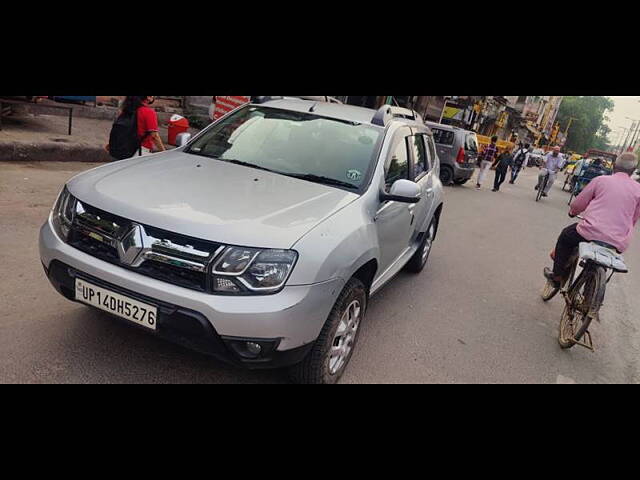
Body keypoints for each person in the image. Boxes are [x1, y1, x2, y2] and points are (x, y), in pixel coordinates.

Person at [544, 153, 640, 287]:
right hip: (618, 240)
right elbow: (633, 219)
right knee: (605, 256)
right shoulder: (638, 190)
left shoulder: (601, 180)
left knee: (566, 236)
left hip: (589, 232)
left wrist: (573, 212)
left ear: (614, 166)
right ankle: (592, 291)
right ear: (633, 170)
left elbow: (578, 204)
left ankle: (557, 276)